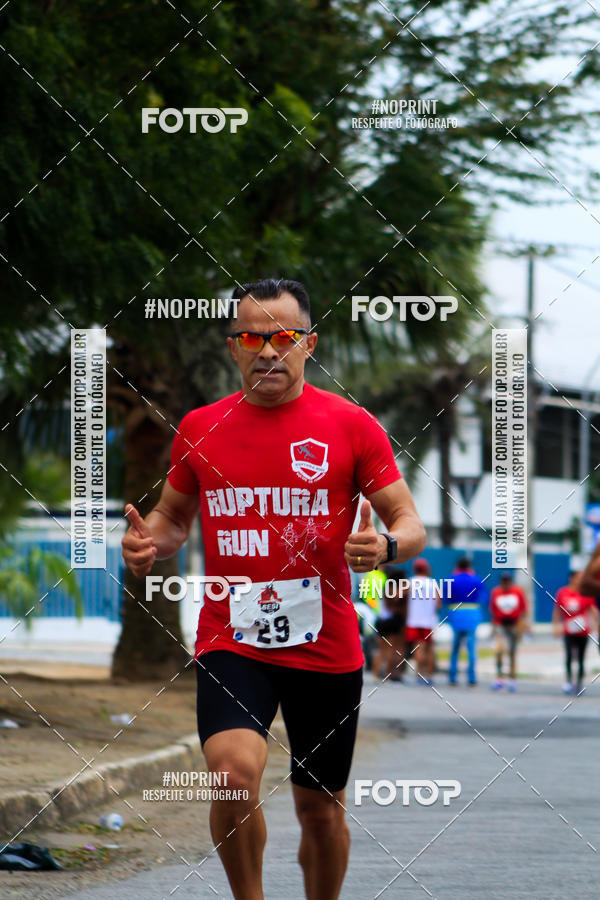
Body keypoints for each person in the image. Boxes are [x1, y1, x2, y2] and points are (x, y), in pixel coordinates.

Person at [121, 278, 426, 900]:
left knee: (321, 810)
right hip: (233, 637)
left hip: (327, 645)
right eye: (252, 337)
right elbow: (173, 520)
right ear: (234, 347)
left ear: (308, 344)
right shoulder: (201, 427)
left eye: (283, 337)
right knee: (232, 778)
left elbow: (408, 523)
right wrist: (150, 541)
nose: (268, 351)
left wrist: (386, 547)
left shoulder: (351, 425)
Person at [442, 556, 487, 686]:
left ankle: (452, 676)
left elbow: (446, 599)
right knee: (471, 647)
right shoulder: (476, 579)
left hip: (456, 613)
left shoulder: (451, 579)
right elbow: (483, 598)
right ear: (469, 566)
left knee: (455, 647)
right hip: (473, 614)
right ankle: (471, 677)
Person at [553, 571, 599, 695]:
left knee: (580, 658)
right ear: (572, 578)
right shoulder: (563, 592)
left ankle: (579, 683)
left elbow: (593, 610)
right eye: (578, 578)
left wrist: (595, 627)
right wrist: (556, 626)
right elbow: (557, 610)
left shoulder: (586, 593)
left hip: (583, 631)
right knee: (569, 656)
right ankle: (568, 681)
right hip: (569, 630)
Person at [489, 573, 529, 692]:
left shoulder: (517, 592)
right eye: (503, 581)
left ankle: (512, 679)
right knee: (499, 651)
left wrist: (522, 625)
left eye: (507, 581)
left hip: (513, 623)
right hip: (500, 623)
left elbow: (524, 609)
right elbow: (493, 610)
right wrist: (493, 627)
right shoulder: (496, 592)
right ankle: (499, 678)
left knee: (512, 652)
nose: (505, 584)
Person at [404, 558, 440, 685]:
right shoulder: (432, 583)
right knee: (429, 649)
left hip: (413, 620)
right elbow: (438, 603)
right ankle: (429, 675)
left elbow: (399, 596)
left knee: (418, 648)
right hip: (428, 621)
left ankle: (419, 675)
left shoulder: (410, 582)